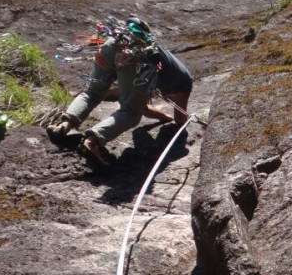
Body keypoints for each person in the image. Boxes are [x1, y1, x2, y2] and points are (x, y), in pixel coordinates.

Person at [47, 16, 192, 165]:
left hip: (110, 45)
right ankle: (92, 142)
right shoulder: (184, 82)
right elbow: (180, 120)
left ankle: (63, 125)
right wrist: (176, 120)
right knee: (130, 113)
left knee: (92, 92)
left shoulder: (159, 56)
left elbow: (143, 107)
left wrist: (162, 117)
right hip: (134, 57)